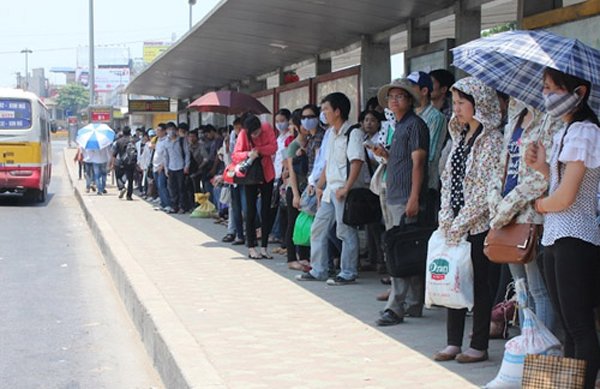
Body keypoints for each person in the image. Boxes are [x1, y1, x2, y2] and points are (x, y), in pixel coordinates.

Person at [526, 68, 600, 389]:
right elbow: (558, 184)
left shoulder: (585, 131)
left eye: (552, 89)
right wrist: (541, 166)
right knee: (569, 329)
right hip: (556, 236)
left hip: (576, 237)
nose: (546, 95)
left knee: (580, 328)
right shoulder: (564, 133)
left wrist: (539, 206)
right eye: (544, 89)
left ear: (578, 92)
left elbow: (566, 197)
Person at [433, 77, 503, 364]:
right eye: (455, 102)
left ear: (480, 104)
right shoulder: (459, 137)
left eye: (463, 103)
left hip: (480, 224)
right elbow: (448, 180)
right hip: (454, 224)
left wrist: (462, 222)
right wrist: (446, 218)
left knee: (480, 284)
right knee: (454, 279)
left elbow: (488, 187)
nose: (457, 108)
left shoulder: (493, 140)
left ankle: (478, 344)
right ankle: (452, 342)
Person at [371, 78, 429, 326]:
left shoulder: (415, 125)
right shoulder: (400, 125)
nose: (394, 101)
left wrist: (414, 197)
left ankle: (395, 307)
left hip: (406, 196)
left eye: (400, 96)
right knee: (408, 249)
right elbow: (404, 159)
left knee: (398, 251)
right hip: (394, 193)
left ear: (410, 100)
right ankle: (414, 303)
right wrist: (387, 154)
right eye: (391, 97)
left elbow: (418, 163)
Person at [296, 92, 366, 285]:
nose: (323, 113)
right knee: (318, 228)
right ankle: (319, 269)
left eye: (326, 109)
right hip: (329, 191)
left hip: (343, 190)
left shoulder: (353, 133)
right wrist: (319, 186)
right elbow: (328, 163)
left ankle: (348, 271)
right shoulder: (330, 133)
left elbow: (356, 162)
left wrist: (346, 187)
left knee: (345, 231)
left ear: (337, 110)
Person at [232, 114, 278, 259]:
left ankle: (264, 247)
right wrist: (249, 154)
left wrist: (258, 150)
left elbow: (273, 147)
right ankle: (251, 247)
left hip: (266, 174)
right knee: (250, 211)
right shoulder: (244, 134)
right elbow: (236, 155)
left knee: (266, 211)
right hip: (251, 177)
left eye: (258, 132)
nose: (256, 135)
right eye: (253, 134)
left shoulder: (266, 128)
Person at [408, 71, 447, 224]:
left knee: (418, 232)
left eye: (412, 87)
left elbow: (428, 155)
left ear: (424, 91)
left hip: (425, 184)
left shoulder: (435, 117)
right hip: (405, 182)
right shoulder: (409, 116)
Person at [285, 106, 318, 270]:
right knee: (292, 223)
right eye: (303, 125)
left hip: (309, 190)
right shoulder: (293, 146)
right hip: (295, 189)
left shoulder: (312, 142)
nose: (307, 127)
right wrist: (296, 195)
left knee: (306, 223)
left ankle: (304, 257)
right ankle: (291, 258)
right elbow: (291, 172)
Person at [359, 109, 385, 272]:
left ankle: (382, 260)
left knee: (378, 226)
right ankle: (372, 257)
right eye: (366, 120)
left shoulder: (380, 139)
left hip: (379, 184)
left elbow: (381, 160)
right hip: (367, 186)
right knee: (370, 224)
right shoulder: (363, 139)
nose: (369, 123)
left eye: (373, 120)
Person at [111, 126, 137, 201]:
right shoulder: (133, 141)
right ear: (130, 132)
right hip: (131, 162)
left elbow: (114, 154)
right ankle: (129, 195)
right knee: (130, 179)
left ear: (123, 132)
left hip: (121, 162)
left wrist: (112, 164)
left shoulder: (118, 141)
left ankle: (122, 187)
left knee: (119, 176)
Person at [152, 123, 172, 212]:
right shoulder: (158, 140)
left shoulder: (167, 141)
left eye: (159, 130)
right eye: (157, 130)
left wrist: (163, 165)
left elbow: (166, 155)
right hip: (155, 166)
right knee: (158, 186)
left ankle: (167, 204)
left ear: (164, 131)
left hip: (162, 167)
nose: (157, 132)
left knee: (162, 185)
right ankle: (162, 203)